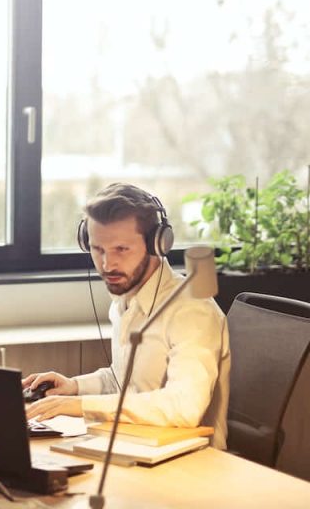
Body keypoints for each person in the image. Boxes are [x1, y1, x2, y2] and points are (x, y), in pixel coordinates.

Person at [23, 183, 230, 449]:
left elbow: (184, 407)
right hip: (134, 446)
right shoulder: (125, 300)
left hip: (191, 463)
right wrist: (74, 387)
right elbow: (125, 382)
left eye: (121, 249)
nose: (107, 265)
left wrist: (80, 405)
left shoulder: (192, 310)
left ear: (158, 243)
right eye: (98, 250)